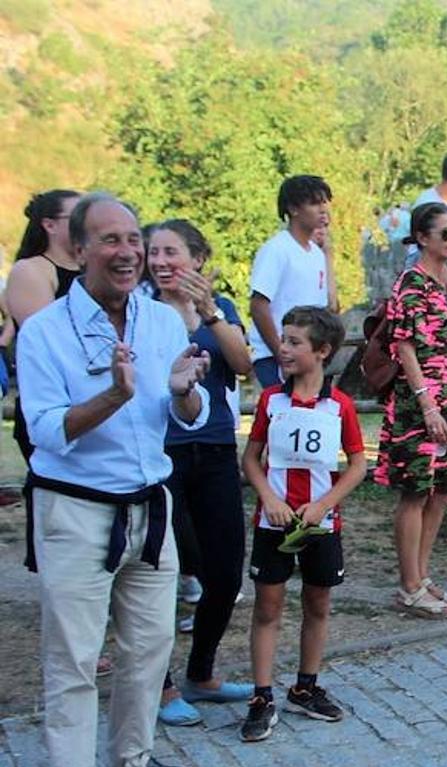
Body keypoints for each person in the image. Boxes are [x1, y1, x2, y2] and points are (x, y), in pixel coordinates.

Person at [18, 194, 212, 767]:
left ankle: (130, 759)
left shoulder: (161, 324)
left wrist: (183, 393)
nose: (127, 252)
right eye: (109, 240)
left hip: (149, 505)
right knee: (73, 654)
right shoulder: (45, 331)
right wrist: (113, 395)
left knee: (151, 644)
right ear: (78, 250)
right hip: (76, 510)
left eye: (134, 238)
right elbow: (46, 432)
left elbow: (181, 414)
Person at [145, 220, 255, 724]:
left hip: (212, 450)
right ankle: (159, 686)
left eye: (171, 252)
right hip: (159, 452)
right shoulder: (138, 312)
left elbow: (244, 364)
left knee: (226, 569)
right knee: (166, 571)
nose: (161, 261)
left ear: (197, 258)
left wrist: (209, 312)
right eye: (154, 253)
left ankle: (202, 673)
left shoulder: (221, 310)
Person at [240, 306, 366, 742]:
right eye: (283, 339)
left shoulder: (340, 406)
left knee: (318, 605)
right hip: (274, 524)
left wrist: (324, 504)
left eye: (295, 342)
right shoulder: (270, 399)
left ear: (322, 351)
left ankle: (305, 685)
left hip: (320, 525)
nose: (284, 348)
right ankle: (261, 695)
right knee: (268, 608)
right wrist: (270, 497)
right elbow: (251, 459)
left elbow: (357, 465)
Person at [373, 203, 447, 619]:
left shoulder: (438, 280)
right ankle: (408, 585)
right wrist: (427, 404)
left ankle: (422, 576)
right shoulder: (410, 283)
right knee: (415, 491)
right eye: (444, 233)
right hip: (417, 403)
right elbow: (404, 346)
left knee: (440, 489)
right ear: (422, 238)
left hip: (446, 397)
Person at [1, 189, 82, 459]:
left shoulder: (94, 269)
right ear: (49, 225)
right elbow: (49, 343)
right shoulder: (32, 270)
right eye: (78, 216)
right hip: (56, 406)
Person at [246, 174, 332, 388]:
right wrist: (281, 353)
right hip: (275, 359)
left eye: (324, 203)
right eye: (314, 203)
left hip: (309, 358)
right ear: (293, 209)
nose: (322, 210)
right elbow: (258, 305)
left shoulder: (316, 254)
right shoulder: (277, 249)